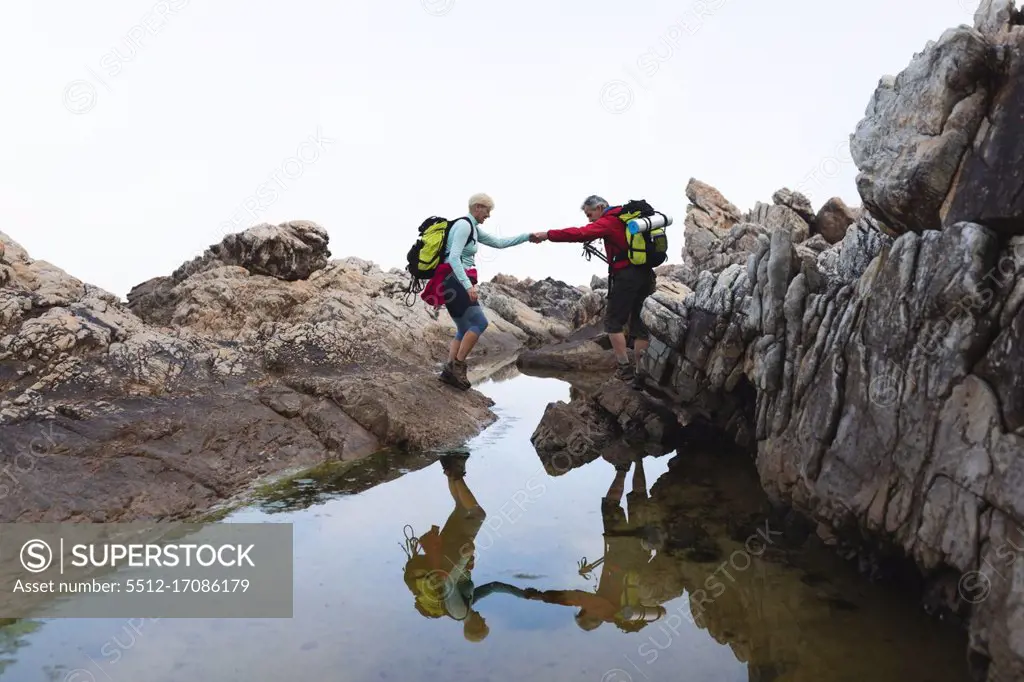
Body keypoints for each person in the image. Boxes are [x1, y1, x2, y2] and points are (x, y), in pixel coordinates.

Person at [519, 449, 669, 632]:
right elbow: (575, 597)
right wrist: (542, 596)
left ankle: (637, 460)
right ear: (591, 616)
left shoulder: (616, 612)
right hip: (619, 542)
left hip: (640, 549)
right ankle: (623, 468)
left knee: (638, 498)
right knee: (610, 504)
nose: (583, 608)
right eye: (583, 611)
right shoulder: (604, 611)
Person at [530, 195, 657, 387]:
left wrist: (548, 234)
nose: (589, 219)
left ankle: (625, 370)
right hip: (646, 274)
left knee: (613, 323)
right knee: (640, 325)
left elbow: (579, 234)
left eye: (590, 214)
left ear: (599, 207)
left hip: (625, 277)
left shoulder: (609, 221)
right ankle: (641, 374)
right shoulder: (627, 217)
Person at [400, 452, 524, 641]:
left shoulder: (459, 612)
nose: (484, 619)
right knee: (460, 508)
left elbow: (449, 582)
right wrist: (522, 594)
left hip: (451, 557)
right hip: (450, 556)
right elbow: (493, 587)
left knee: (477, 514)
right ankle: (451, 467)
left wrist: (466, 557)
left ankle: (455, 472)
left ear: (476, 626)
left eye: (483, 623)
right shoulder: (469, 604)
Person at [421, 193, 533, 391]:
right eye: (487, 211)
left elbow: (499, 243)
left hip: (451, 282)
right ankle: (457, 367)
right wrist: (467, 285)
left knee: (464, 329)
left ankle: (449, 371)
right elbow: (454, 258)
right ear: (478, 207)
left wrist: (528, 237)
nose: (488, 216)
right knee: (480, 323)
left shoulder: (472, 228)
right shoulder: (464, 225)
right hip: (455, 281)